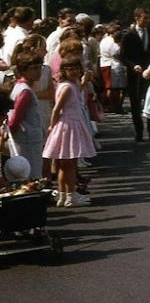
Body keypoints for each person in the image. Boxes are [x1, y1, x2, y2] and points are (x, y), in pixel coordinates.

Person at [42, 58, 97, 208]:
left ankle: (62, 195)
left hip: (68, 124)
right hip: (68, 125)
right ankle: (71, 196)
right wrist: (52, 126)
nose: (75, 72)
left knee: (63, 164)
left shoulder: (69, 85)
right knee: (70, 164)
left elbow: (76, 96)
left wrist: (84, 82)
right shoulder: (67, 87)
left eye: (77, 69)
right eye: (70, 69)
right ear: (64, 71)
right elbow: (57, 109)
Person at [6, 51, 45, 178]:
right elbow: (16, 118)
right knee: (31, 175)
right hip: (27, 141)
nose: (38, 71)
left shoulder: (21, 87)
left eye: (40, 67)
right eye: (34, 68)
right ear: (24, 70)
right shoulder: (25, 91)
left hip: (27, 139)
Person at [120, 7, 150, 143]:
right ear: (137, 18)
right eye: (144, 18)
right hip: (134, 73)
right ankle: (139, 131)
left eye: (148, 18)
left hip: (149, 72)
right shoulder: (128, 35)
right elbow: (123, 55)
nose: (147, 21)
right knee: (135, 103)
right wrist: (132, 65)